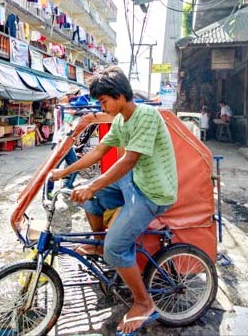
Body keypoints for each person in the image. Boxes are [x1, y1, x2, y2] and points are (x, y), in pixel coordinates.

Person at [50, 66, 177, 336]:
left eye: (103, 101)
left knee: (116, 247)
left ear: (119, 96)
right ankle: (98, 246)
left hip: (153, 192)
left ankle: (143, 303)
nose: (102, 106)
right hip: (134, 182)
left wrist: (95, 184)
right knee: (90, 200)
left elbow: (129, 160)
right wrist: (65, 171)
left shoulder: (146, 116)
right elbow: (98, 151)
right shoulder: (120, 120)